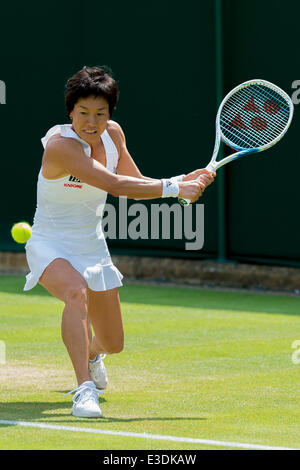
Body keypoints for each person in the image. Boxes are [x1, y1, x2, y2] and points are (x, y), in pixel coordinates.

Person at [23, 66, 215, 418]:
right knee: (75, 292)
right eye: (83, 112)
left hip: (92, 246)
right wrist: (175, 189)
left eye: (101, 113)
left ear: (110, 114)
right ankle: (84, 390)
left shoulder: (113, 136)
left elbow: (135, 183)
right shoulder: (61, 146)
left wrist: (180, 182)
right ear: (70, 112)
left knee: (113, 342)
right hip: (50, 242)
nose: (92, 121)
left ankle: (93, 354)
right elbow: (114, 186)